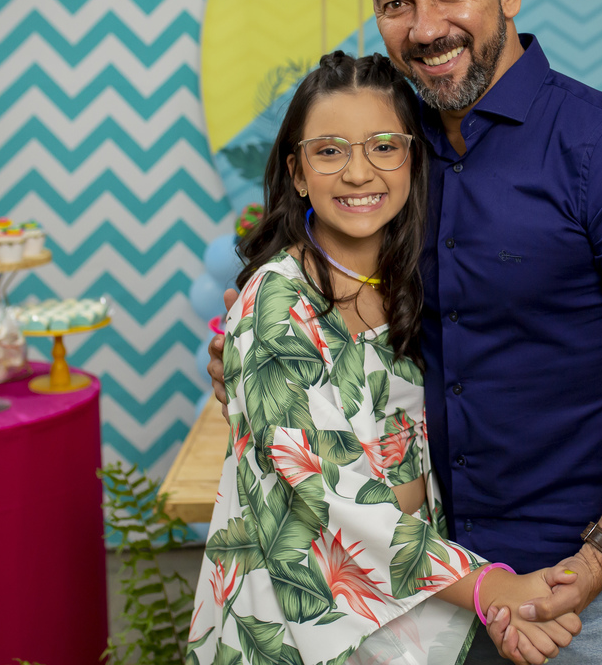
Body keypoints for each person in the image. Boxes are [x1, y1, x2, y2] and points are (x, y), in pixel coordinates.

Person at [207, 0, 602, 664]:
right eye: (396, 3)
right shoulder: (392, 155)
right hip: (429, 581)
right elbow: (325, 302)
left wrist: (598, 559)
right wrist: (251, 352)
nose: (426, 27)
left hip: (576, 583)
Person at [187, 51, 581, 665]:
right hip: (300, 610)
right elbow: (325, 490)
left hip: (407, 591)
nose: (357, 172)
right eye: (329, 151)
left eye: (383, 147)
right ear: (297, 172)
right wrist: (489, 587)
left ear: (412, 160)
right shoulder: (276, 302)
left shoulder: (412, 281)